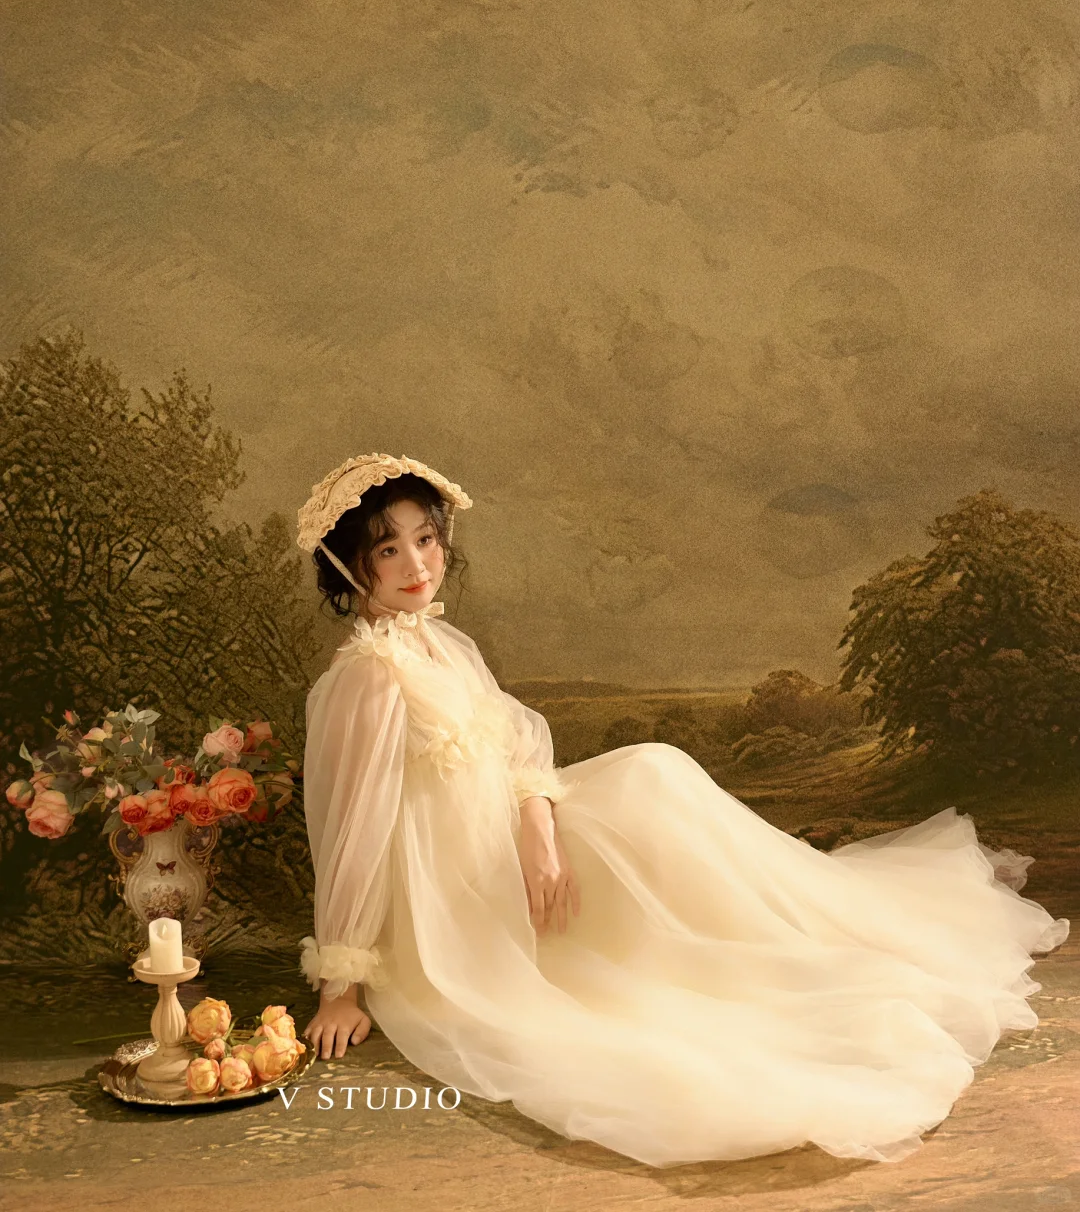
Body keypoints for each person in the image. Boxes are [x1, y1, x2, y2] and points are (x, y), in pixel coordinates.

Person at [295, 451, 1070, 1168]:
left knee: (653, 775)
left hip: (514, 839)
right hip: (462, 896)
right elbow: (353, 834)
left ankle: (774, 946)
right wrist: (342, 987)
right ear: (348, 565)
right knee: (649, 797)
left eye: (426, 539)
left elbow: (519, 743)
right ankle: (734, 966)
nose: (417, 564)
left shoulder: (440, 644)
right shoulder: (367, 679)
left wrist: (537, 825)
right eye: (388, 549)